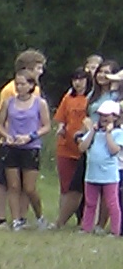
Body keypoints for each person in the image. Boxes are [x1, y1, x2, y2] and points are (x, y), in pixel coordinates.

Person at [0, 53, 51, 229]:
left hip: (30, 147)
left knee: (29, 187)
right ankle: (16, 219)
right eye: (17, 84)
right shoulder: (9, 102)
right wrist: (7, 136)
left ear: (31, 85)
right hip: (11, 146)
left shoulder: (40, 103)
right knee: (13, 185)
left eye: (23, 84)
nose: (19, 87)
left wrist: (30, 136)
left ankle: (39, 215)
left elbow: (47, 126)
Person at [53, 60, 98, 229]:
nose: (77, 83)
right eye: (75, 79)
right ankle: (62, 218)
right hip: (66, 145)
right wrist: (61, 127)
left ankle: (83, 219)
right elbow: (61, 118)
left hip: (83, 145)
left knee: (84, 185)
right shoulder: (68, 97)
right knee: (67, 185)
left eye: (81, 79)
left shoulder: (91, 98)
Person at [82, 101, 123, 236]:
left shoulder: (118, 133)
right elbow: (82, 147)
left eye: (107, 115)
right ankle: (86, 227)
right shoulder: (95, 132)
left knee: (112, 203)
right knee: (90, 203)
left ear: (115, 117)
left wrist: (108, 134)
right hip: (92, 174)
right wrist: (92, 131)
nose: (103, 118)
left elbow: (114, 150)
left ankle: (115, 230)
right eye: (101, 115)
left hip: (109, 175)